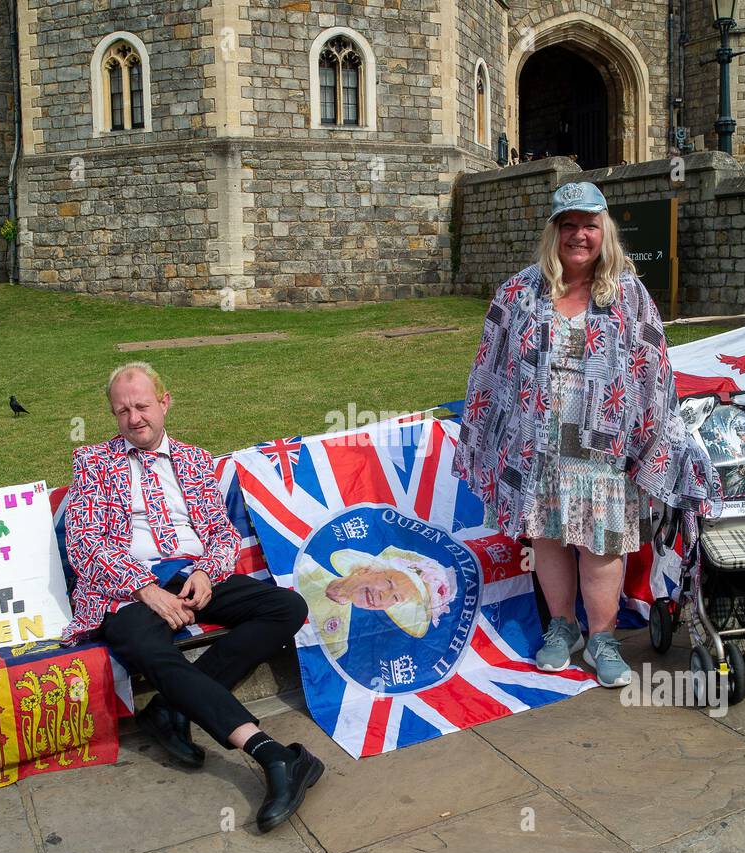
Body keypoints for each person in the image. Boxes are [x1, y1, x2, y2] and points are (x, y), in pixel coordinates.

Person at [453, 181, 720, 685]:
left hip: (604, 451)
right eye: (568, 225)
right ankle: (562, 627)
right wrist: (488, 432)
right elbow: (489, 366)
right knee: (550, 538)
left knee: (602, 545)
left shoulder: (629, 294)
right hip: (538, 448)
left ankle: (603, 638)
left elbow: (654, 370)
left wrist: (659, 441)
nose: (579, 235)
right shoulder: (518, 292)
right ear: (553, 232)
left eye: (589, 225)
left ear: (605, 231)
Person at [61, 361, 323, 834]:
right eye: (122, 411)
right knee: (147, 647)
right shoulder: (94, 464)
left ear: (165, 402)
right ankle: (271, 753)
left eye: (142, 405)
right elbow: (84, 543)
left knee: (285, 607)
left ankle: (168, 708)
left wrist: (206, 571)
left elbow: (220, 535)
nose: (134, 418)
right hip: (123, 588)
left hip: (190, 574)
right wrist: (143, 587)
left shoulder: (195, 460)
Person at [297, 547, 458, 657]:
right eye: (389, 583)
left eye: (396, 598)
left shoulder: (336, 642)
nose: (383, 597)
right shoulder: (301, 566)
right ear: (366, 570)